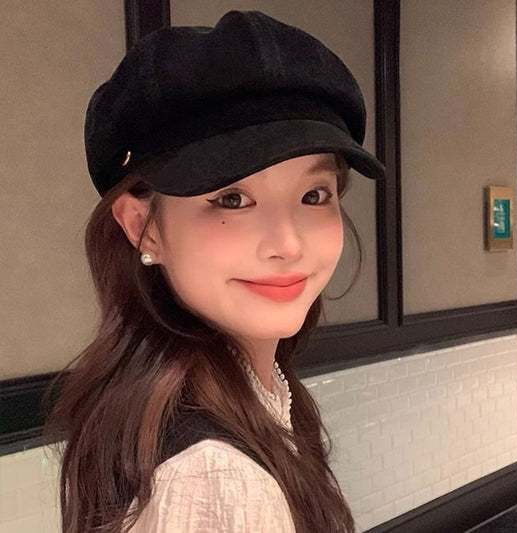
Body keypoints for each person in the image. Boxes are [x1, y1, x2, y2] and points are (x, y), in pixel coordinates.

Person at [43, 9, 385, 533]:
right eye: (232, 198)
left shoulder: (175, 399)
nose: (288, 244)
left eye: (314, 195)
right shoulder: (215, 477)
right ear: (142, 227)